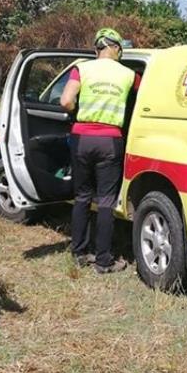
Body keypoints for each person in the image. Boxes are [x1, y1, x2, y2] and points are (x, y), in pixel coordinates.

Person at [59, 28, 139, 274]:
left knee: (82, 197)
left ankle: (79, 252)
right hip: (110, 140)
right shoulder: (129, 74)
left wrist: (76, 111)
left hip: (82, 138)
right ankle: (104, 260)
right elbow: (144, 98)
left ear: (97, 49)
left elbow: (65, 101)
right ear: (116, 48)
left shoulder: (82, 68)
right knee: (106, 200)